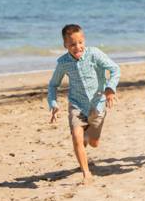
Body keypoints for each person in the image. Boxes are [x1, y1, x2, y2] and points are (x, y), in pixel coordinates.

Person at [48, 24, 120, 183]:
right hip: (77, 105)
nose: (77, 47)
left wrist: (110, 88)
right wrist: (53, 103)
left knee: (94, 143)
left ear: (84, 40)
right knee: (76, 136)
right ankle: (86, 173)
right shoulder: (63, 62)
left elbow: (115, 69)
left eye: (80, 42)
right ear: (65, 45)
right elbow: (53, 85)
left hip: (98, 105)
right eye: (72, 44)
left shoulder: (94, 54)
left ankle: (89, 138)